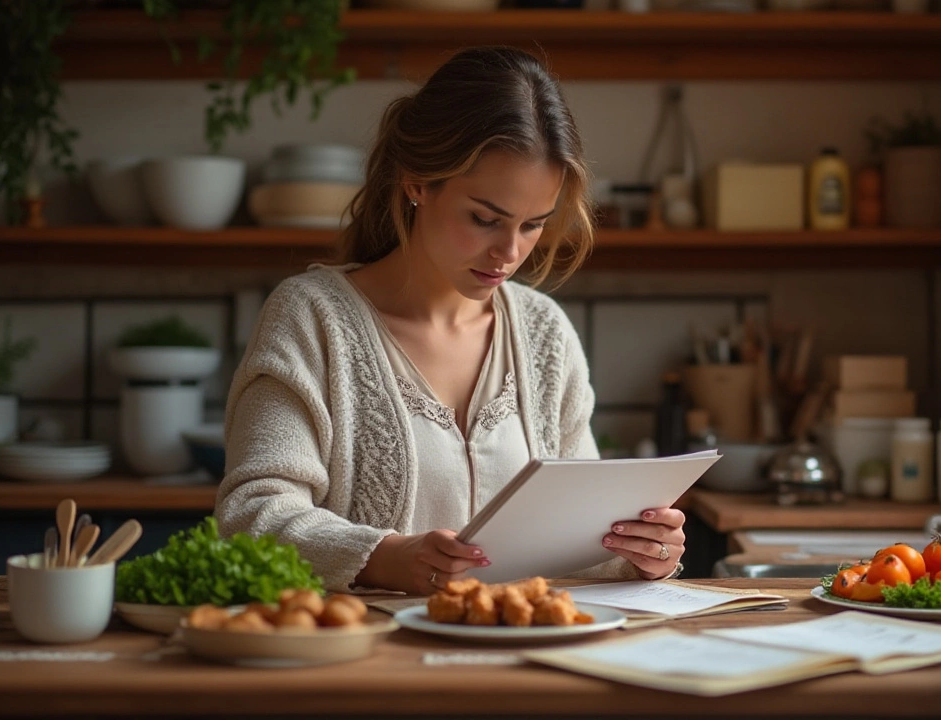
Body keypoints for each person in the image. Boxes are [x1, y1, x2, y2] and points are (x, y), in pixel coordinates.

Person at [215, 46, 686, 595]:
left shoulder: (545, 333)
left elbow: (576, 544)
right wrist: (385, 557)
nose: (510, 253)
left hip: (526, 665)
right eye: (485, 219)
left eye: (534, 224)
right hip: (365, 666)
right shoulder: (312, 318)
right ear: (417, 182)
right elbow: (252, 515)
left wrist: (637, 551)